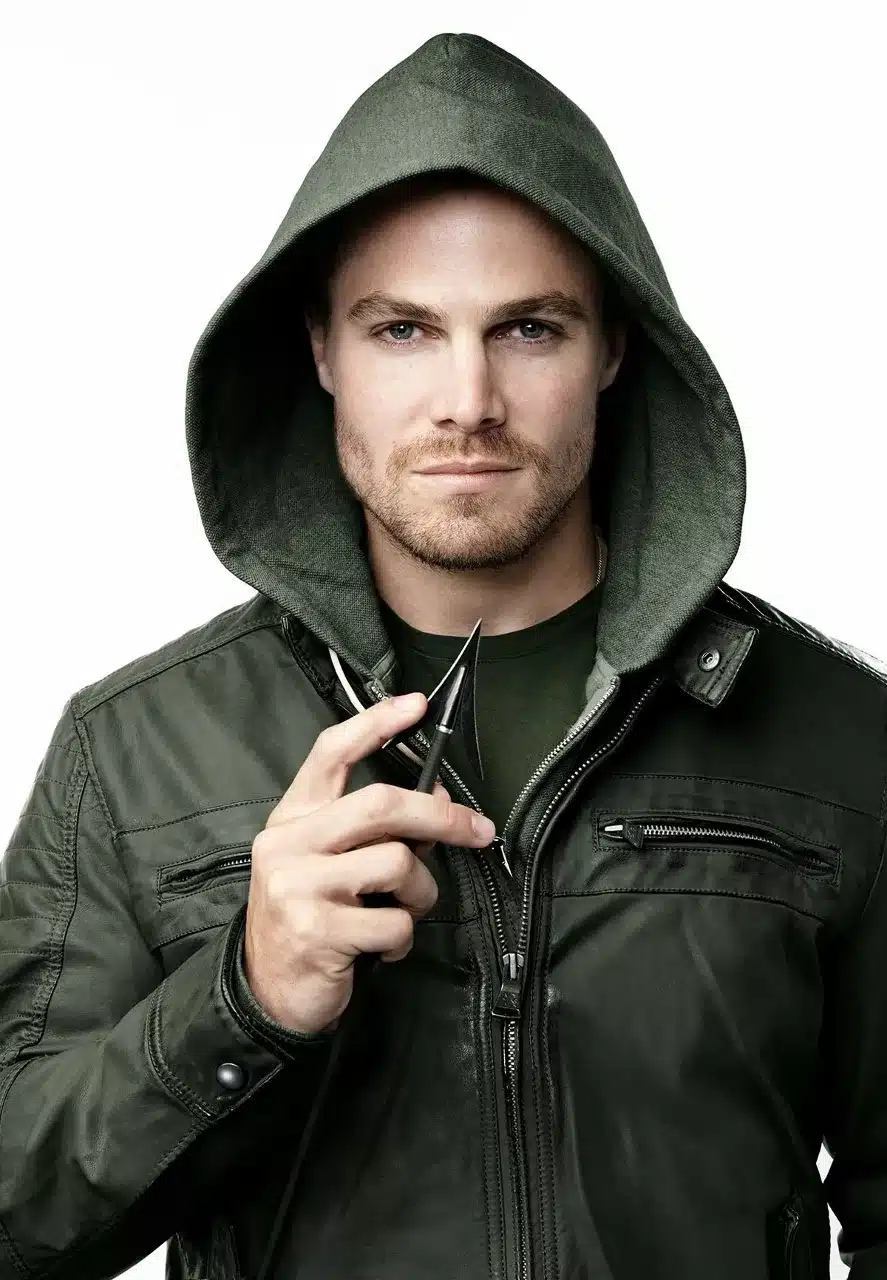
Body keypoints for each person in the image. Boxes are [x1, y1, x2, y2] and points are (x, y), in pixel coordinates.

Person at [0, 29, 884, 1280]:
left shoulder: (839, 738)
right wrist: (241, 996)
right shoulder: (133, 751)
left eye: (527, 328)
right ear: (321, 350)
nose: (467, 399)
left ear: (612, 348)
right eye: (403, 330)